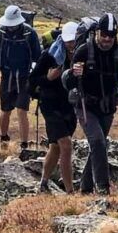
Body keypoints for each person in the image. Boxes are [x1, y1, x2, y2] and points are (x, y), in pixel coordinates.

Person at [69, 11, 118, 198]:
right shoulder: (84, 51)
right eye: (104, 35)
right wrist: (73, 74)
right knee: (98, 142)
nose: (107, 39)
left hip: (108, 107)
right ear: (97, 33)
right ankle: (103, 189)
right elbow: (67, 81)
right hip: (85, 106)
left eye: (111, 36)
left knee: (97, 146)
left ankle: (85, 190)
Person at [0, 4, 40, 156]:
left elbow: (37, 55)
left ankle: (24, 145)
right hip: (7, 76)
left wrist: (35, 73)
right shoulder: (0, 33)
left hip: (25, 77)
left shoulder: (30, 34)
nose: (10, 27)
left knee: (22, 110)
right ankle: (3, 140)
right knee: (5, 110)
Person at [31, 25, 79, 193]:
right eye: (69, 41)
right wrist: (48, 78)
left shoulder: (82, 55)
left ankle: (43, 182)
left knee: (56, 147)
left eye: (74, 41)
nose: (72, 44)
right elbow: (32, 80)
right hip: (50, 106)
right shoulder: (50, 56)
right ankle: (70, 192)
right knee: (66, 145)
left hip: (69, 107)